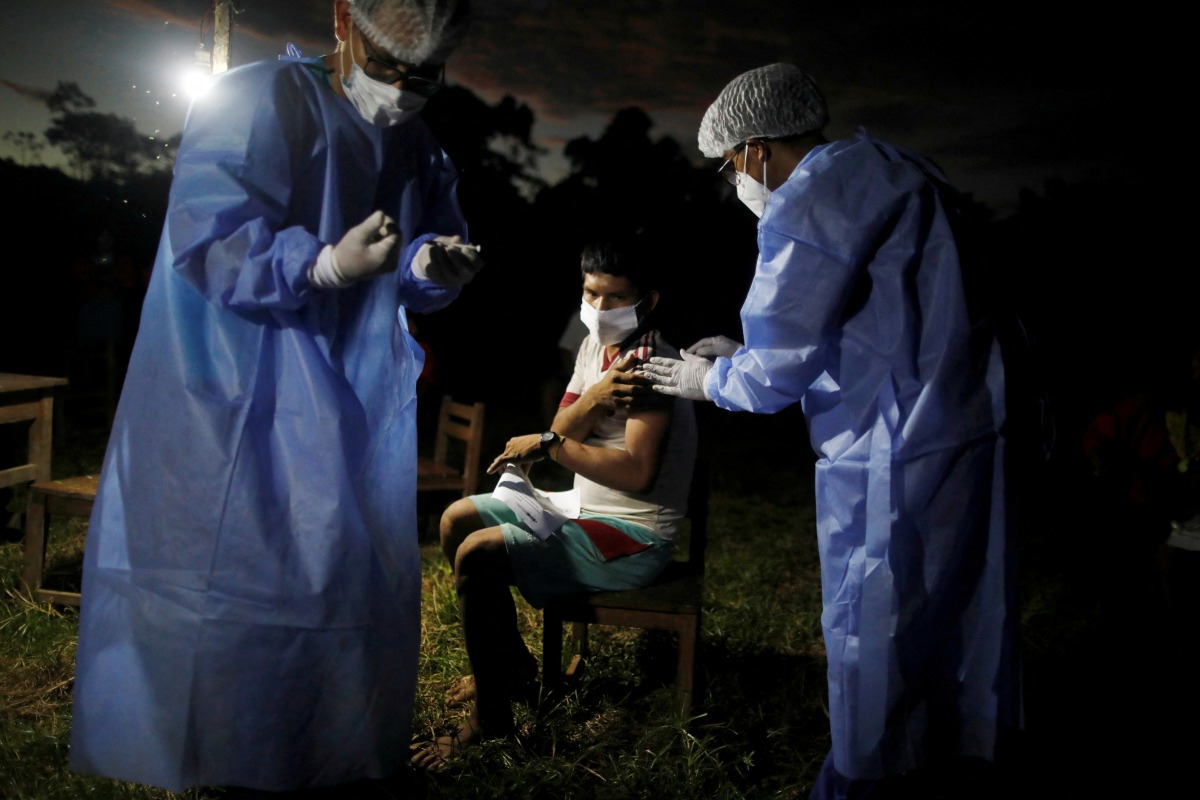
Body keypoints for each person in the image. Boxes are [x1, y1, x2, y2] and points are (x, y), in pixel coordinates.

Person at [69, 1, 482, 794]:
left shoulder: (415, 140)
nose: (403, 88)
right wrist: (319, 265)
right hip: (234, 385)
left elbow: (422, 237)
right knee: (236, 574)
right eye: (390, 64)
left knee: (334, 571)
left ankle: (321, 754)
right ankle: (219, 756)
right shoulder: (256, 100)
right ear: (342, 19)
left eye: (425, 74)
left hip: (350, 393)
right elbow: (209, 236)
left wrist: (429, 268)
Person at [639, 63, 1019, 798]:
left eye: (729, 167)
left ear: (754, 147)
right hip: (965, 427)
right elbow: (872, 319)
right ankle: (959, 758)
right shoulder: (897, 168)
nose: (736, 182)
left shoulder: (810, 200)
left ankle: (862, 779)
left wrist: (710, 379)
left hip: (889, 447)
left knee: (871, 623)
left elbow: (779, 365)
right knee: (959, 611)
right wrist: (743, 355)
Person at [410, 239, 697, 769]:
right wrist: (590, 401)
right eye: (592, 293)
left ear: (648, 301)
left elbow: (635, 472)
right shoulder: (594, 347)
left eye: (616, 298)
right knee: (456, 520)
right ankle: (511, 670)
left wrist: (551, 444)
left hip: (631, 535)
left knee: (478, 554)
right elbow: (561, 425)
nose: (600, 308)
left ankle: (492, 721)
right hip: (583, 506)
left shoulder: (652, 363)